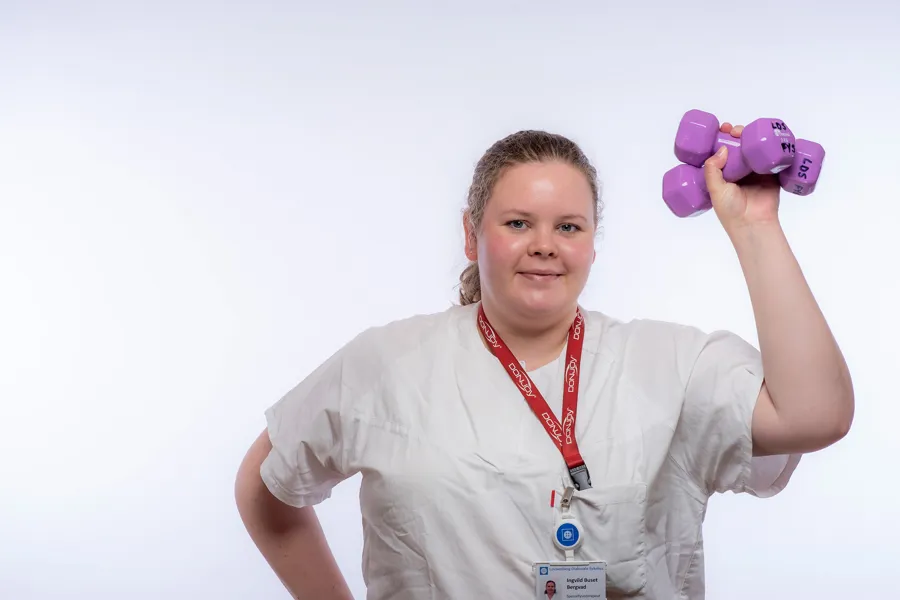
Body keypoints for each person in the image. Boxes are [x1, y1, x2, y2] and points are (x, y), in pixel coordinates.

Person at [234, 125, 854, 599]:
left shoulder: (671, 363)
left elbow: (816, 415)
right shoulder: (385, 364)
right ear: (471, 235)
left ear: (592, 243)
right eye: (517, 222)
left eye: (569, 227)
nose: (544, 246)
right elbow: (266, 489)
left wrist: (754, 226)